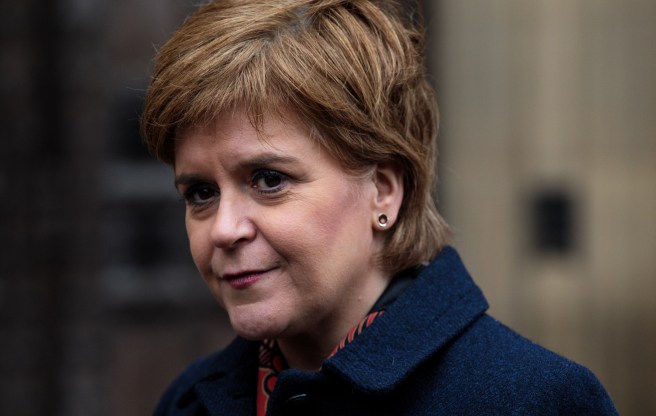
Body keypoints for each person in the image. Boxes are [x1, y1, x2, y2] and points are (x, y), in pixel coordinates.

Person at [142, 0, 618, 414]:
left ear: (384, 191)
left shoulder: (531, 400)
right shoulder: (190, 402)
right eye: (201, 193)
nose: (224, 230)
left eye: (269, 180)